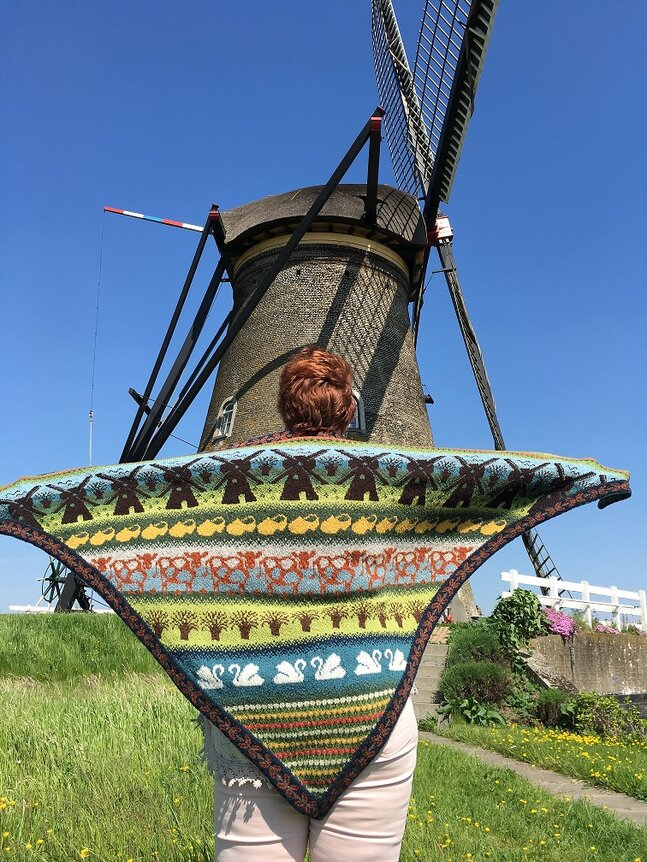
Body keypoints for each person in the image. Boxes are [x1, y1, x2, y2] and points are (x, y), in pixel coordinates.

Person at [199, 345, 418, 862]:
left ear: (283, 404)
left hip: (251, 715)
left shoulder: (229, 486)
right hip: (371, 712)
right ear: (349, 407)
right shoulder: (396, 485)